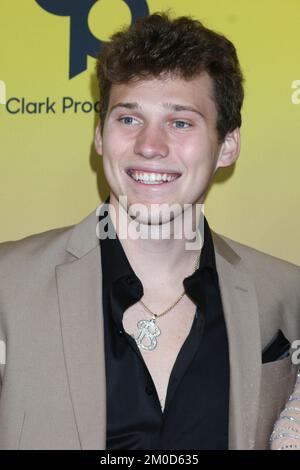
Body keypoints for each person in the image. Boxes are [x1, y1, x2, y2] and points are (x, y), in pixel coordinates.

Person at [0, 12, 300, 451]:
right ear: (99, 135)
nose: (150, 146)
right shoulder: (8, 284)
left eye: (180, 122)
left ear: (227, 145)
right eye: (128, 119)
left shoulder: (287, 293)